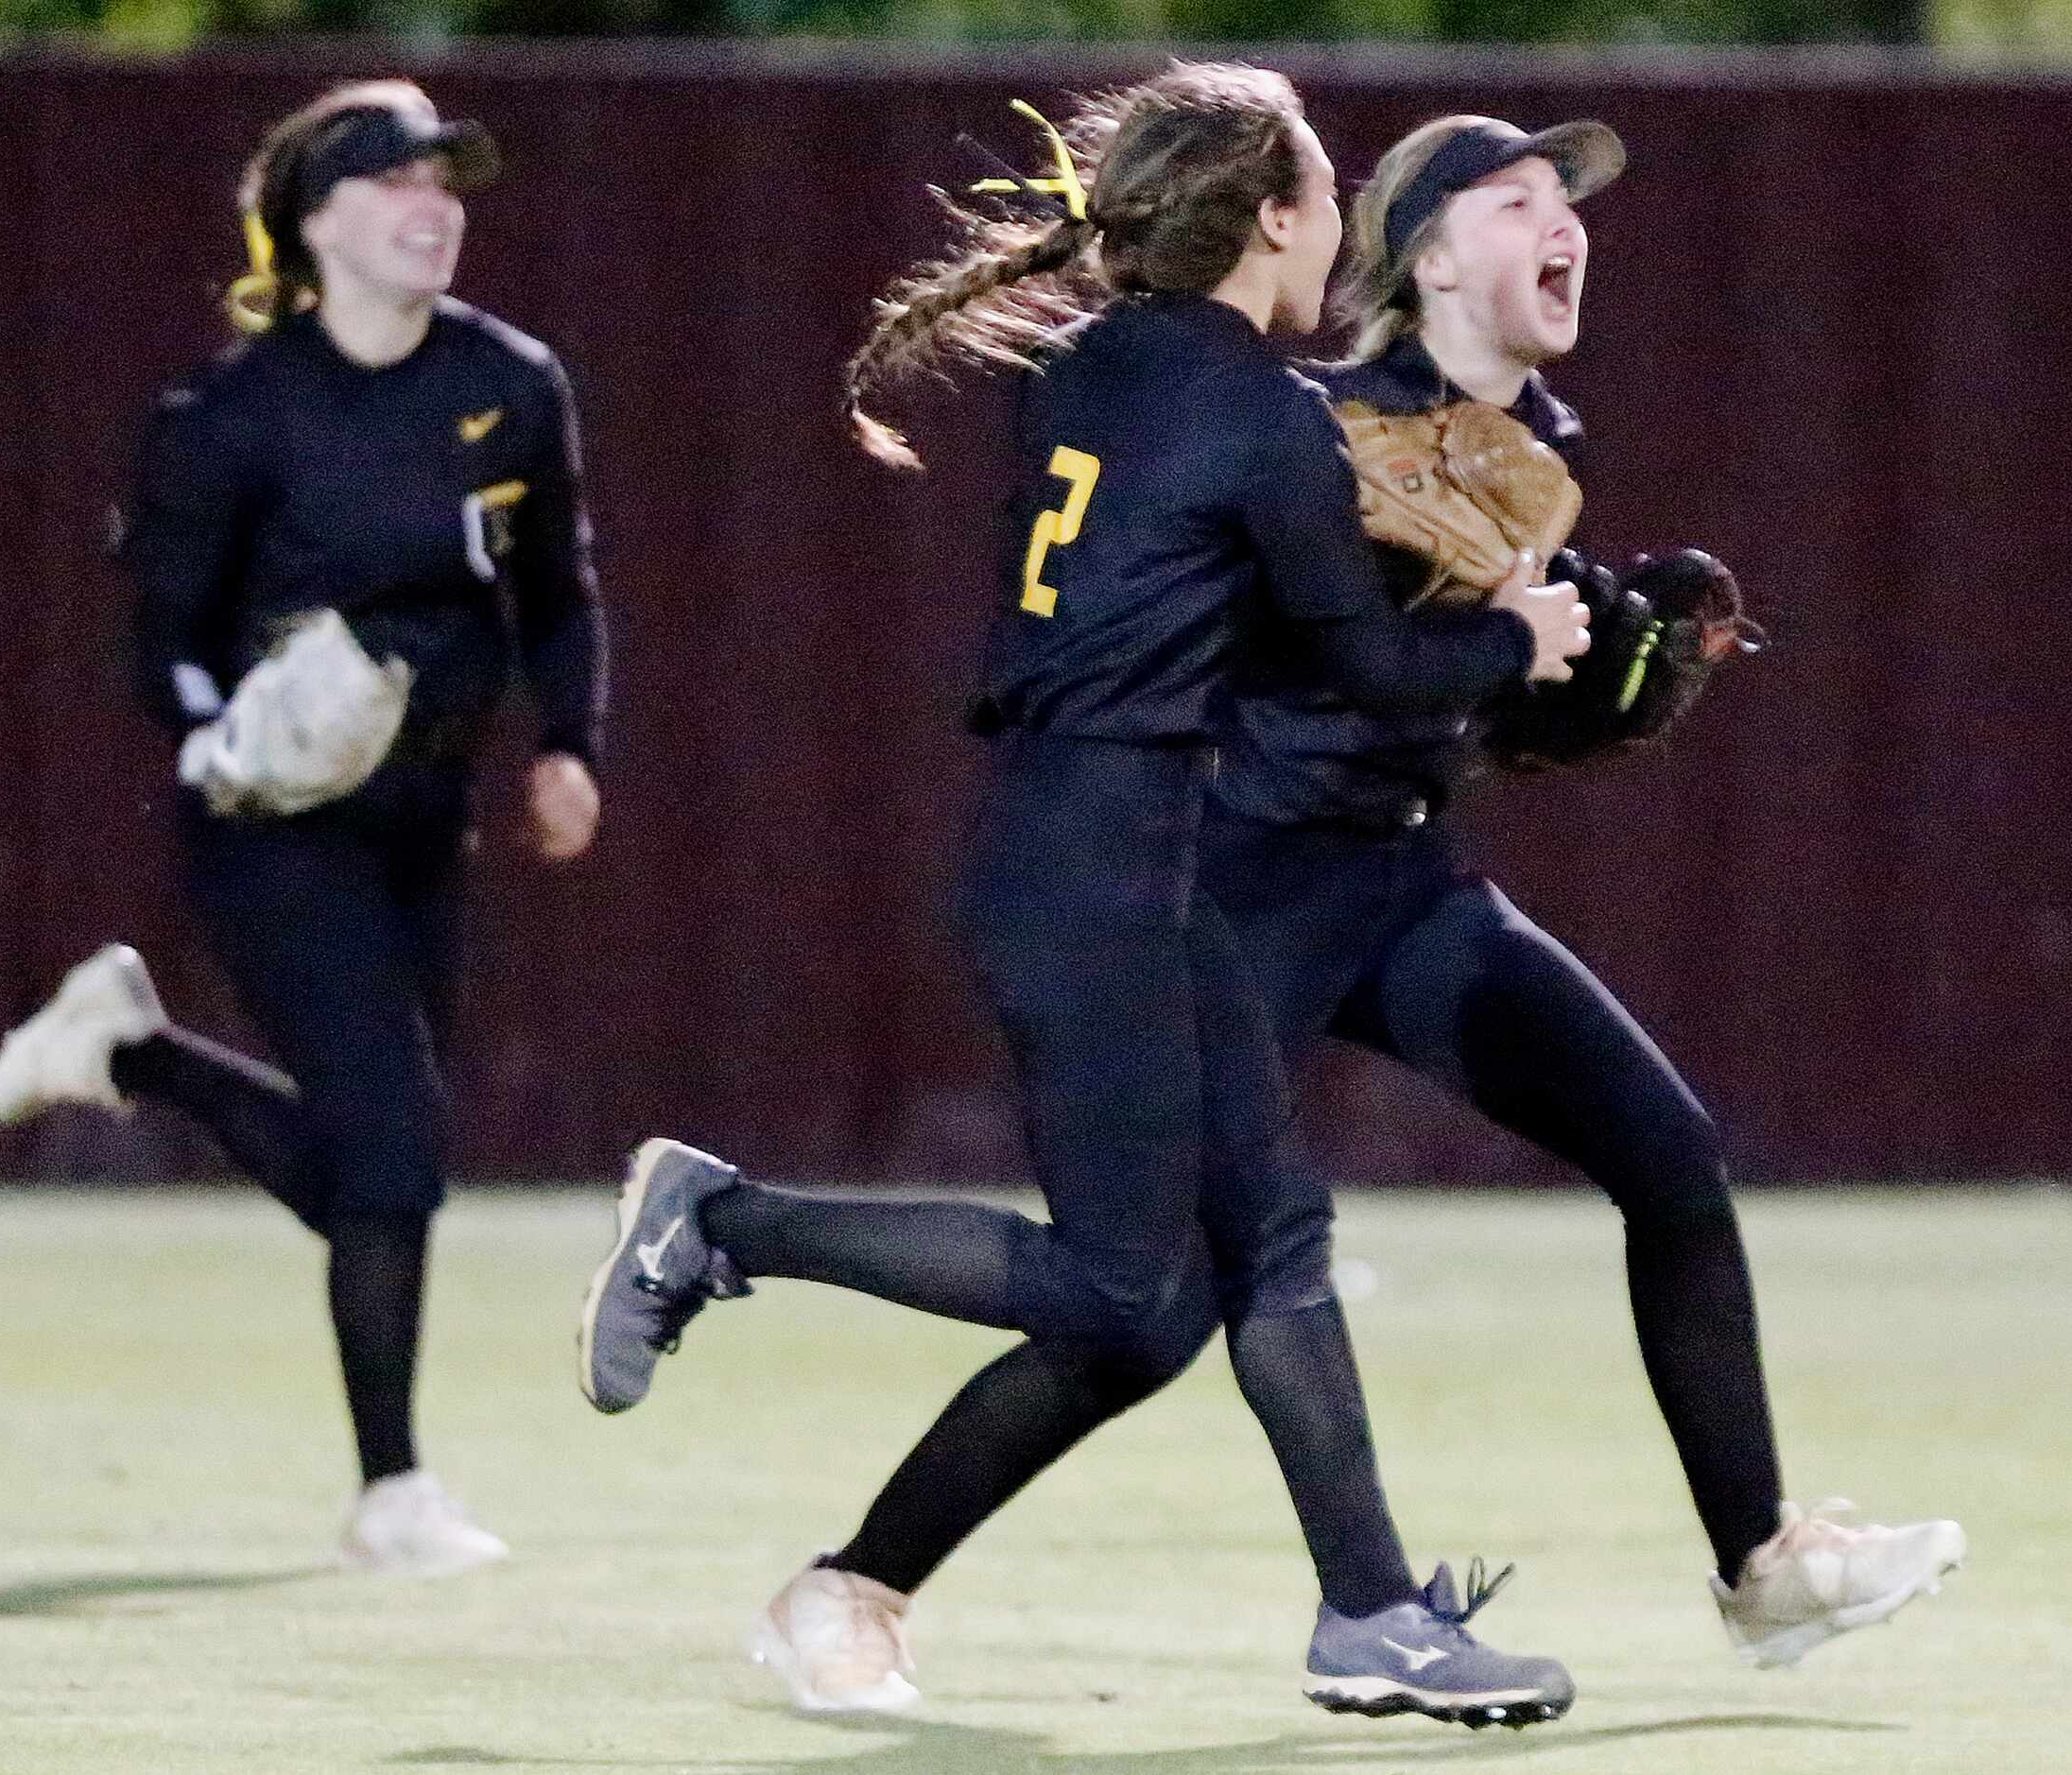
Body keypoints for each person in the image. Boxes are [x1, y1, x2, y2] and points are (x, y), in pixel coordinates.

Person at [578, 64, 1591, 1729]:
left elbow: (1202, 602)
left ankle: (1358, 1613)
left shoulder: (1093, 364)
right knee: (1125, 1292)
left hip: (1094, 844)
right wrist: (1513, 636)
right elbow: (1362, 666)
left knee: (1244, 1253)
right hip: (1102, 866)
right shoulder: (1258, 406)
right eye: (1322, 188)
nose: (1335, 214)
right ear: (1270, 219)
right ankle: (721, 1221)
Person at [1201, 112, 1962, 1671]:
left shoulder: (1533, 454)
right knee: (1130, 1289)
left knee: (1667, 1156)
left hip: (1397, 882)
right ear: (1422, 253)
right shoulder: (1309, 423)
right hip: (1239, 889)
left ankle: (1761, 1567)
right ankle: (765, 1312)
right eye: (1516, 197)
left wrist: (1583, 687)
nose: (1565, 224)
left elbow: (1482, 716)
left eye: (1571, 203)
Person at [0, 78, 607, 1577]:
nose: (435, 202)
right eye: (398, 179)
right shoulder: (230, 413)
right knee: (393, 1160)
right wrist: (220, 730)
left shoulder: (510, 383)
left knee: (378, 1160)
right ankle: (392, 1491)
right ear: (316, 220)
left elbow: (557, 591)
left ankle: (131, 1048)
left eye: (448, 177)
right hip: (270, 823)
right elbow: (163, 639)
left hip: (424, 806)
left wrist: (571, 742)